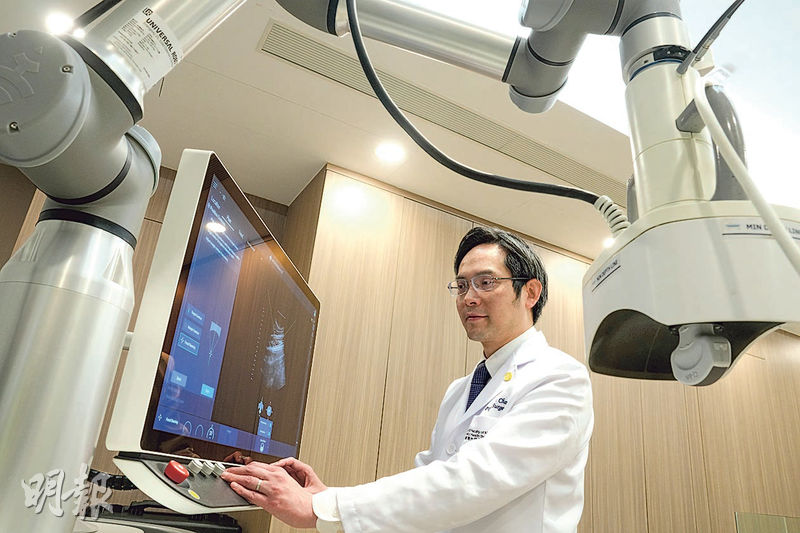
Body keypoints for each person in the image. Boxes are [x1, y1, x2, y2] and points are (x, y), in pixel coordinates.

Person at [222, 226, 594, 532]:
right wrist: (327, 495)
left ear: (530, 292)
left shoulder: (559, 378)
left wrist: (325, 508)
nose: (469, 297)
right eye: (461, 286)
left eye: (485, 282)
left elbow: (478, 479)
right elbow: (428, 483)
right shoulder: (460, 390)